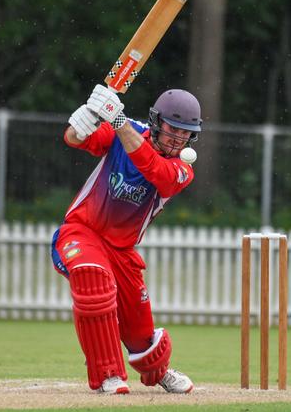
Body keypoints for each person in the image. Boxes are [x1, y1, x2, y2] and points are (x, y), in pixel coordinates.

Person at [51, 83, 202, 394]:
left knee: (141, 337)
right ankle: (108, 374)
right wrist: (85, 120)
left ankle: (157, 371)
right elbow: (73, 139)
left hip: (123, 251)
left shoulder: (182, 169)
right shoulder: (127, 130)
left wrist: (117, 121)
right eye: (173, 129)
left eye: (185, 133)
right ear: (157, 122)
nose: (178, 139)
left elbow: (154, 169)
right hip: (83, 230)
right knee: (92, 278)